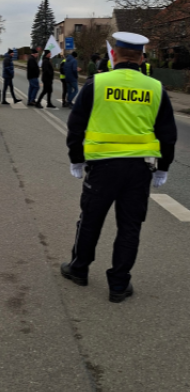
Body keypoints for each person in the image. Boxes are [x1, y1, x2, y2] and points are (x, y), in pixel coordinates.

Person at [61, 32, 177, 303]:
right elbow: (167, 134)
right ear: (141, 57)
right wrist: (164, 167)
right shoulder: (156, 88)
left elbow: (76, 125)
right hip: (140, 170)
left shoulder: (96, 84)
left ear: (113, 55)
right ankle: (119, 285)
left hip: (102, 168)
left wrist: (76, 158)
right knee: (130, 226)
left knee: (90, 220)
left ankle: (79, 269)